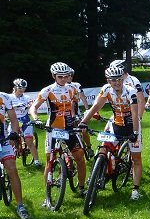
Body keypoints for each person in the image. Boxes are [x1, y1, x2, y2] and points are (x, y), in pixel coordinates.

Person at [79, 64, 143, 200]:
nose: (117, 82)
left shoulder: (130, 91)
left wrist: (135, 133)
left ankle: (135, 189)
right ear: (108, 81)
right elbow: (96, 106)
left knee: (136, 159)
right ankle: (99, 171)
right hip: (116, 124)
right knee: (103, 148)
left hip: (132, 125)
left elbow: (135, 112)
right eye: (114, 80)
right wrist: (83, 122)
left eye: (119, 79)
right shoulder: (106, 90)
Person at [30, 62, 88, 200]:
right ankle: (47, 196)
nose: (63, 79)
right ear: (53, 76)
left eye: (66, 76)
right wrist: (36, 118)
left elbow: (73, 107)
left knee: (80, 158)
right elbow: (33, 107)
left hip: (69, 128)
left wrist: (76, 119)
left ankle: (81, 188)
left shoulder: (73, 89)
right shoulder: (48, 90)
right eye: (60, 76)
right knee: (50, 160)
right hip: (53, 129)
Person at [0, 91, 31, 219]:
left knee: (12, 169)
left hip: (2, 138)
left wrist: (13, 132)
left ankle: (20, 206)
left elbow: (13, 120)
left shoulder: (4, 97)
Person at [7, 79, 41, 168]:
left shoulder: (27, 98)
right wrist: (15, 106)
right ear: (14, 87)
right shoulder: (9, 97)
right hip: (14, 121)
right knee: (10, 142)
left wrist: (31, 111)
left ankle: (37, 161)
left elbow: (31, 106)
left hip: (25, 121)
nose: (22, 90)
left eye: (24, 88)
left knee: (29, 141)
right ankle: (9, 163)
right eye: (20, 88)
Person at [66, 67, 95, 159]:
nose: (70, 77)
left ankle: (89, 147)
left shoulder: (77, 85)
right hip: (66, 114)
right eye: (68, 75)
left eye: (71, 75)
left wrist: (87, 109)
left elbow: (82, 97)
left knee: (83, 128)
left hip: (76, 113)